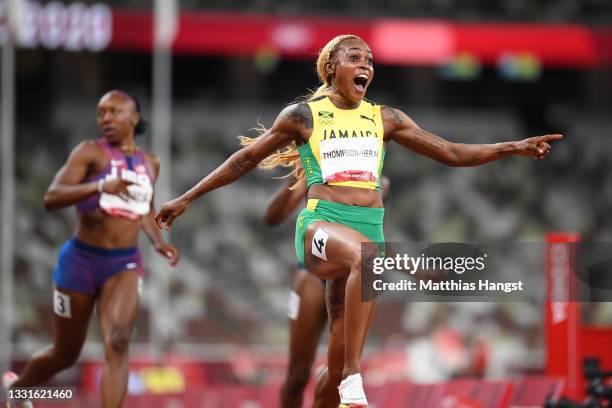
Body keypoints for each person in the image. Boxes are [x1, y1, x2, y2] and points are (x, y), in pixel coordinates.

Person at [154, 34, 561, 407]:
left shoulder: (385, 118)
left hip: (369, 231)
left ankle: (342, 377)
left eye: (369, 59)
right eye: (354, 57)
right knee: (364, 270)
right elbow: (246, 159)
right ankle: (354, 375)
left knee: (330, 373)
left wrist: (513, 146)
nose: (365, 64)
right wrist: (188, 197)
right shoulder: (303, 116)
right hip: (320, 225)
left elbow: (452, 153)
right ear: (332, 66)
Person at [2, 90, 180, 408]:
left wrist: (158, 243)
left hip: (123, 264)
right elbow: (52, 197)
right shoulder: (89, 153)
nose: (106, 118)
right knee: (64, 354)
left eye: (114, 111)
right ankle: (18, 392)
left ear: (134, 118)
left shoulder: (150, 163)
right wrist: (99, 185)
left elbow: (143, 210)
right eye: (101, 113)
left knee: (118, 341)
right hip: (80, 261)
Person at [264, 176, 389, 408]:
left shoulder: (379, 182)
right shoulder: (320, 166)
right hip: (314, 273)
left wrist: (414, 269)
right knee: (298, 374)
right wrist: (296, 178)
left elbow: (375, 240)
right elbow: (272, 218)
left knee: (338, 372)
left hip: (353, 273)